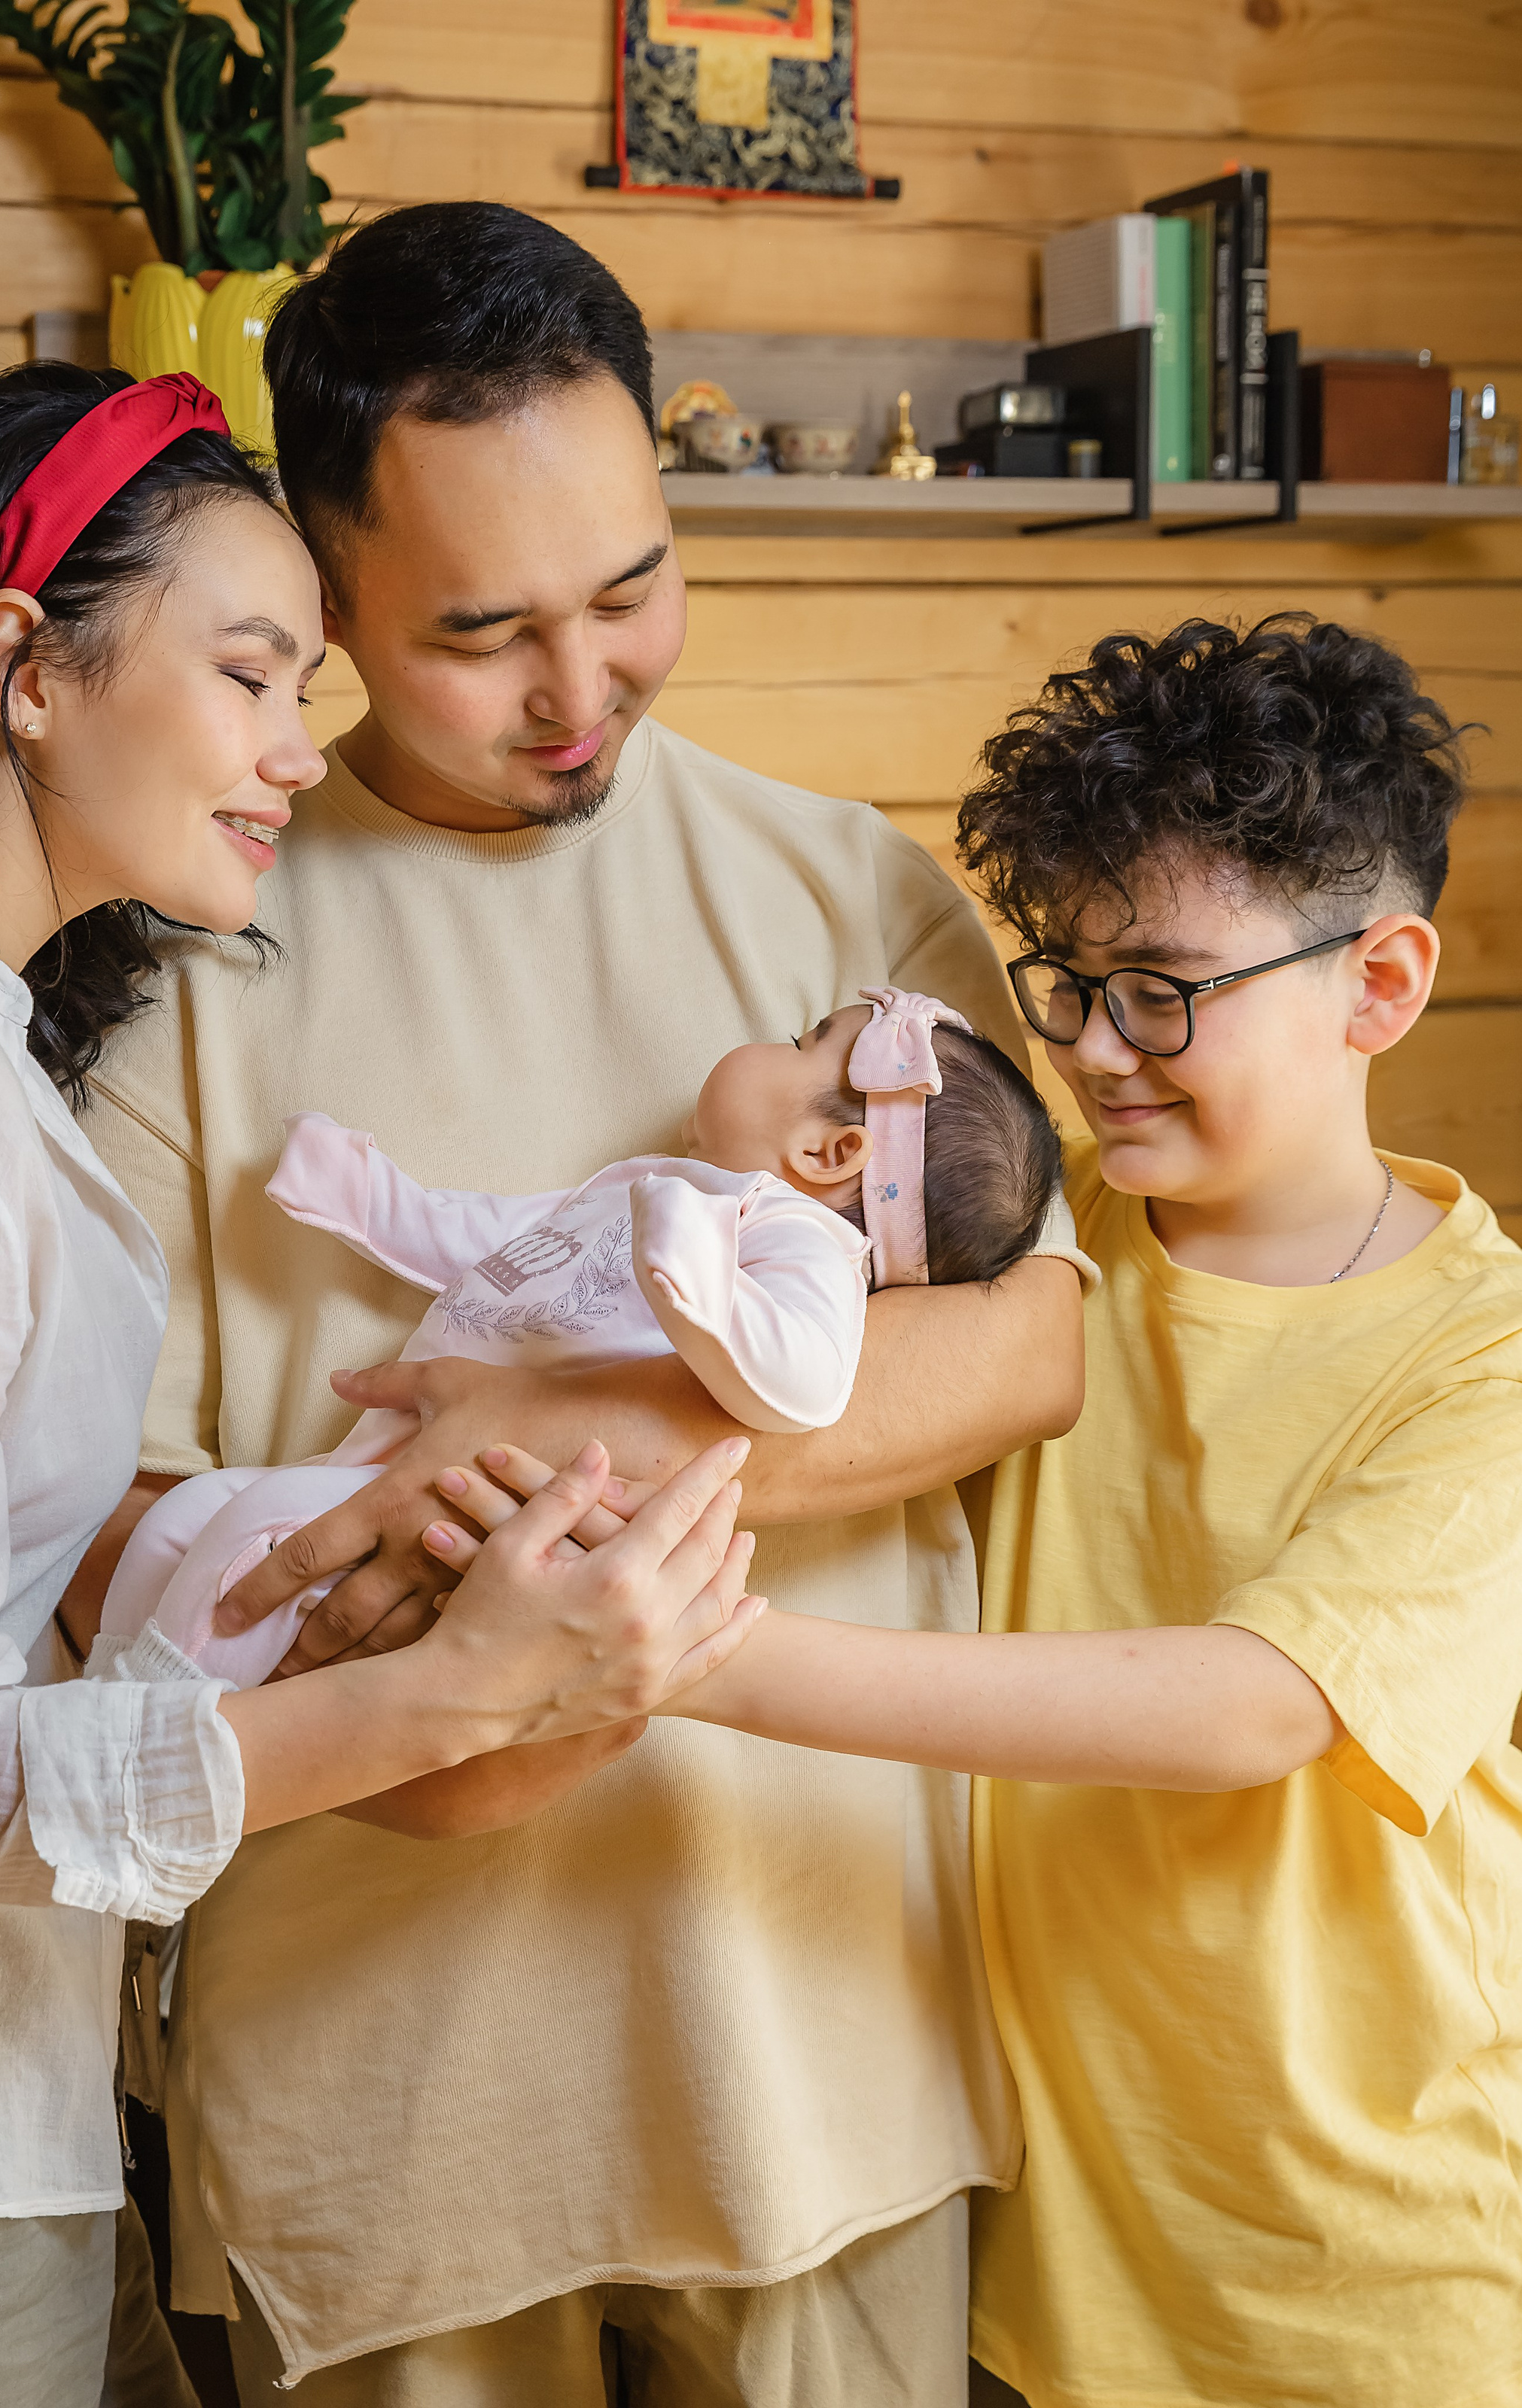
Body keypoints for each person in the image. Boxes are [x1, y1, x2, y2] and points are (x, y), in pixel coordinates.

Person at [0, 361, 760, 2408]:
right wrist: (442, 1698)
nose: (296, 755)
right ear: (24, 667)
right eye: (248, 677)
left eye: (304, 689)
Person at [75, 203, 1089, 2403]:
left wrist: (554, 1454)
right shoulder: (177, 974)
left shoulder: (851, 897)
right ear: (325, 601)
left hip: (824, 2054)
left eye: (630, 589)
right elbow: (94, 1516)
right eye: (481, 630)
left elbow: (1033, 1340)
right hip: (386, 2099)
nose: (578, 688)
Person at [448, 616, 1522, 2408]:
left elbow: (1248, 1706)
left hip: (1362, 2287)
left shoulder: (1483, 1359)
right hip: (1036, 2270)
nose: (1097, 1050)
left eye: (1163, 989)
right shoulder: (1030, 1248)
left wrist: (698, 1653)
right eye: (1065, 980)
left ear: (1382, 985)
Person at [103, 989, 1064, 1689]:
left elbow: (805, 1382)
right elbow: (498, 1240)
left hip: (470, 1498)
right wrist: (364, 1196)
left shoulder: (795, 1238)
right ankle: (104, 1702)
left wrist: (696, 1286)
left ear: (832, 1151)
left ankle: (150, 1758)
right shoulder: (661, 1188)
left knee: (248, 1543)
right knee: (183, 1522)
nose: (773, 1039)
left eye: (801, 1041)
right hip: (394, 1454)